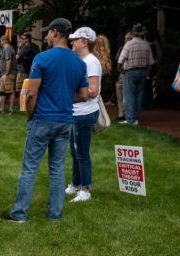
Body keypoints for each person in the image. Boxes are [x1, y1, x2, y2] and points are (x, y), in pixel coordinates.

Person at [1, 18, 88, 223]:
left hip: (42, 119)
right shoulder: (79, 62)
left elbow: (31, 94)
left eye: (48, 32)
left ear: (56, 32)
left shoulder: (42, 58)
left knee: (29, 168)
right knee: (57, 169)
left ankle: (19, 213)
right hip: (65, 121)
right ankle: (54, 214)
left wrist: (30, 116)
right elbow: (84, 95)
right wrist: (63, 98)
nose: (47, 35)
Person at [65, 27, 103, 204]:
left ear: (84, 42)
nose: (72, 42)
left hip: (85, 113)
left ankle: (85, 188)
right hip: (78, 112)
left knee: (81, 152)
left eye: (75, 39)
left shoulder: (90, 62)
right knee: (74, 150)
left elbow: (93, 91)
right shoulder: (83, 60)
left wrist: (70, 95)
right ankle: (76, 183)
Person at [118, 24, 154, 126]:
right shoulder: (147, 45)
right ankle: (136, 119)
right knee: (139, 96)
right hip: (142, 72)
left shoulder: (128, 44)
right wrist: (147, 74)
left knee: (129, 96)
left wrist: (120, 70)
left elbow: (121, 60)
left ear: (133, 34)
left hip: (130, 71)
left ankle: (130, 119)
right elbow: (151, 63)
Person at [114, 32, 132, 120]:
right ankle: (121, 113)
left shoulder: (133, 49)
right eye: (126, 39)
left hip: (129, 74)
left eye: (129, 38)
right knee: (119, 94)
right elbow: (117, 60)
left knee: (127, 95)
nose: (127, 40)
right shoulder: (121, 49)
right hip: (121, 74)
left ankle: (128, 114)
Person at [0, 35, 17, 114]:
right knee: (2, 91)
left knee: (10, 91)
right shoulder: (6, 48)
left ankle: (11, 110)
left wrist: (7, 73)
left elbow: (8, 61)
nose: (0, 42)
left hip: (8, 74)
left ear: (4, 40)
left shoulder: (8, 48)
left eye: (1, 41)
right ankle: (1, 109)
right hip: (4, 74)